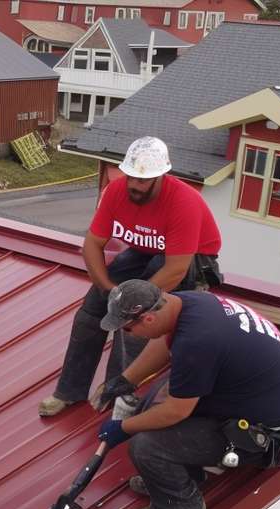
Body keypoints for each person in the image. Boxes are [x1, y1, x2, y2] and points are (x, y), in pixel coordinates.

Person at [91, 279, 280, 509]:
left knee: (146, 445)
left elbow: (176, 411)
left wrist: (122, 427)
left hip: (266, 435)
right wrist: (124, 382)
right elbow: (163, 341)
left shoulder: (197, 340)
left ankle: (180, 506)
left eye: (126, 329)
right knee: (149, 409)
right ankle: (176, 476)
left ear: (147, 319)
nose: (127, 335)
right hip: (249, 400)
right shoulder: (185, 302)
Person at [39, 136, 223, 418]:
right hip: (144, 252)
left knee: (135, 320)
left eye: (143, 180)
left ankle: (115, 391)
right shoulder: (116, 192)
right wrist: (108, 289)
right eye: (131, 177)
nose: (135, 185)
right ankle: (69, 391)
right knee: (90, 313)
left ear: (161, 176)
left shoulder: (183, 202)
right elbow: (92, 245)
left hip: (190, 261)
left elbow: (175, 268)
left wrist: (129, 304)